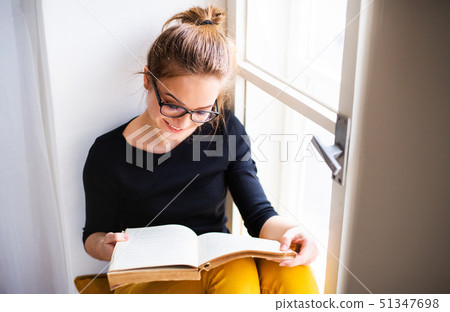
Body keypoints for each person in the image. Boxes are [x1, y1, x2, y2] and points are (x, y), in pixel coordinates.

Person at [82, 5, 319, 294]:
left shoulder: (224, 128)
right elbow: (92, 235)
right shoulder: (108, 154)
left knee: (292, 267)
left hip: (217, 258)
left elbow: (258, 214)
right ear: (148, 79)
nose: (183, 123)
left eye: (202, 111)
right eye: (172, 105)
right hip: (149, 274)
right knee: (237, 273)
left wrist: (293, 234)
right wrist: (105, 246)